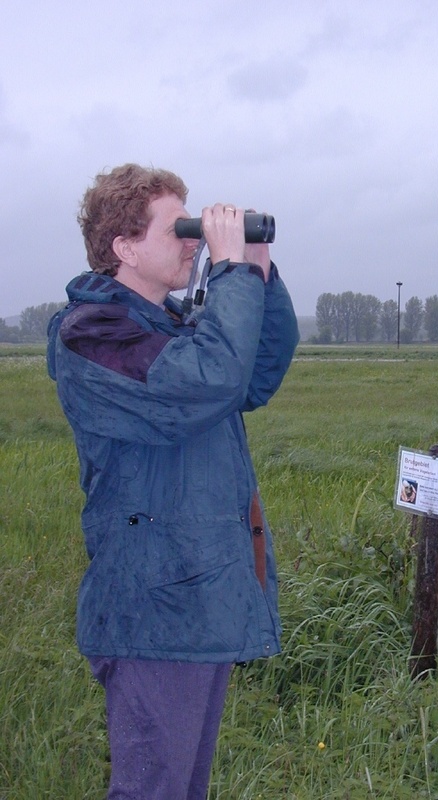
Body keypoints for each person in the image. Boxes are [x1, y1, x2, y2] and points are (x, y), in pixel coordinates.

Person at [47, 163, 299, 799]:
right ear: (124, 247)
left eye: (196, 228)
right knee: (153, 791)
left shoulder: (171, 326)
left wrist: (258, 272)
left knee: (183, 789)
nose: (194, 242)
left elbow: (253, 376)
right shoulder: (93, 335)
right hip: (153, 605)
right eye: (179, 228)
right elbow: (206, 381)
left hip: (198, 592)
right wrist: (232, 272)